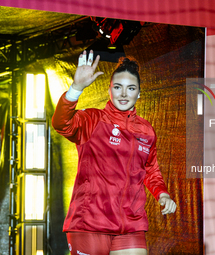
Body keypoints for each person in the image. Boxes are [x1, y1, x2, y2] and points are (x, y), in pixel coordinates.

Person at [52, 50, 177, 255]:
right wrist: (76, 88)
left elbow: (150, 170)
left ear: (139, 93)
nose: (124, 94)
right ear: (109, 90)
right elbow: (61, 123)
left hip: (131, 225)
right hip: (89, 223)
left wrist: (163, 195)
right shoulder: (92, 120)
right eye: (118, 87)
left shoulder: (147, 131)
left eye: (131, 88)